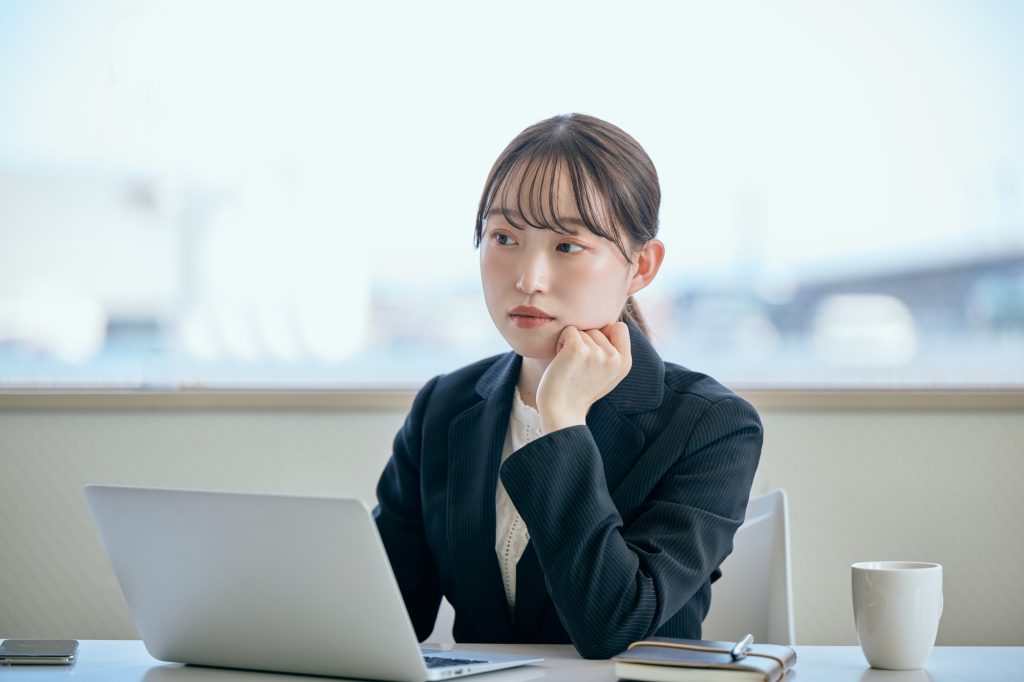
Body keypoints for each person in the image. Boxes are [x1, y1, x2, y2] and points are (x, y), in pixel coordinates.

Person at [373, 113, 763, 660]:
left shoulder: (709, 426)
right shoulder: (444, 407)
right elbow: (382, 618)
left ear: (641, 266)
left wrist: (562, 420)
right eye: (504, 237)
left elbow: (612, 625)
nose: (528, 278)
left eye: (567, 246)